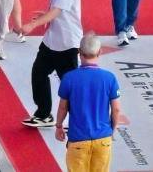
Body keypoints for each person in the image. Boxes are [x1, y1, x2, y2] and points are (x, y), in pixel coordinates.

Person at [22, 0, 84, 129]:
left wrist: (33, 24)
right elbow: (57, 9)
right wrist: (44, 15)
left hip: (67, 42)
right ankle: (43, 114)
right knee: (39, 72)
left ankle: (79, 120)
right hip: (53, 39)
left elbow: (57, 11)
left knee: (69, 84)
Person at [53, 33, 123, 172]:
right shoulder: (109, 78)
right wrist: (112, 129)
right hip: (103, 139)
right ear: (100, 52)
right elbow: (116, 109)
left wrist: (59, 126)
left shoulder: (69, 78)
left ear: (79, 52)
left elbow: (62, 107)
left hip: (78, 140)